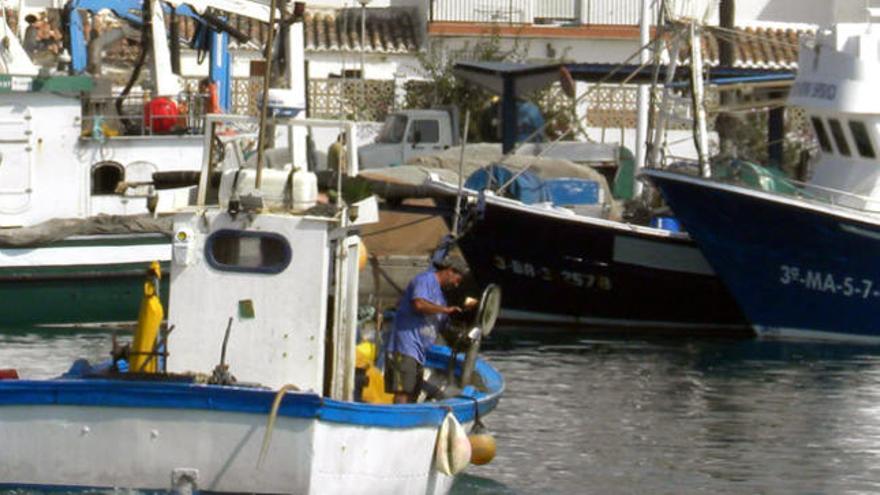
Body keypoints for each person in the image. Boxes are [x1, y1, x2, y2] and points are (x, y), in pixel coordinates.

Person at [384, 256, 472, 404]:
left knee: (413, 392)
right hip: (404, 347)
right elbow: (418, 304)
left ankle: (408, 423)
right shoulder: (425, 280)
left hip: (419, 353)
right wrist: (444, 310)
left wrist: (461, 328)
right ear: (450, 271)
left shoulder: (441, 297)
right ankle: (399, 422)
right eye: (457, 280)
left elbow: (443, 326)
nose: (456, 285)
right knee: (403, 391)